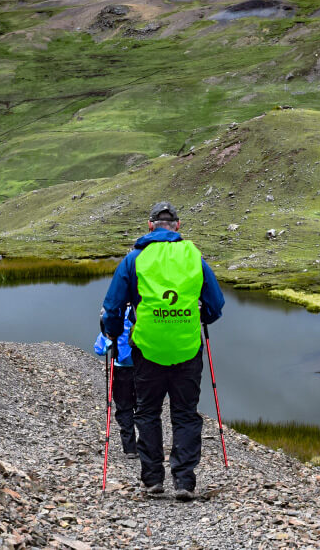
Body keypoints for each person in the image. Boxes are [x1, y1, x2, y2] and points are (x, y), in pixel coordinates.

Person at [101, 201, 224, 501]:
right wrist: (201, 317)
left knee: (147, 412)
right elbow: (216, 305)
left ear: (150, 225)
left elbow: (113, 306)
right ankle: (183, 481)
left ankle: (153, 480)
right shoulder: (194, 257)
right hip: (187, 347)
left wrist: (114, 333)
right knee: (184, 414)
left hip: (147, 348)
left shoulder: (133, 259)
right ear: (178, 226)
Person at [93, 305, 138, 457]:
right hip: (144, 368)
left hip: (121, 369)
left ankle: (130, 448)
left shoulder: (114, 314)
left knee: (124, 408)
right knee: (145, 408)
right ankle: (147, 445)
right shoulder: (143, 310)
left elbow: (100, 349)